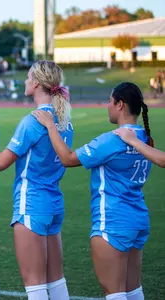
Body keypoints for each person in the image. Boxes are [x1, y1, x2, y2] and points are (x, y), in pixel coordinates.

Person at [0, 61, 73, 300]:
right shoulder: (65, 121)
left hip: (31, 204)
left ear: (38, 84)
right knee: (57, 280)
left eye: (29, 77)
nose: (25, 81)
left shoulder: (33, 121)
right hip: (54, 204)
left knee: (35, 285)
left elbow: (0, 162)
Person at [32, 82, 154, 300]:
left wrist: (51, 126)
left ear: (120, 105)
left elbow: (68, 159)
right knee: (134, 290)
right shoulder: (144, 137)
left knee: (115, 292)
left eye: (110, 101)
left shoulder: (112, 139)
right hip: (138, 220)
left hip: (113, 222)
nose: (107, 105)